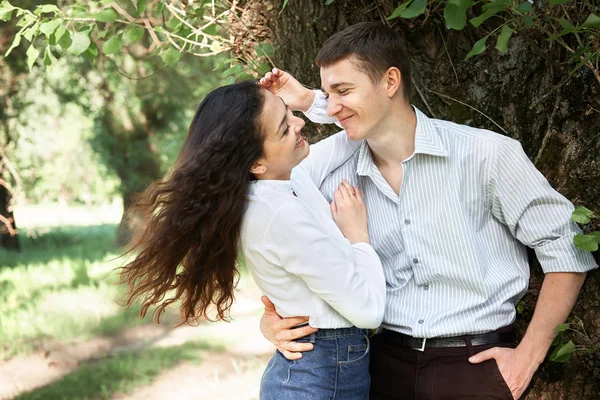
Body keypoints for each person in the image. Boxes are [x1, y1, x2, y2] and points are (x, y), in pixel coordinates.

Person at [258, 22, 598, 400]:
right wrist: (270, 320)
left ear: (390, 82)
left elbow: (566, 244)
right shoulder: (327, 171)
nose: (332, 106)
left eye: (344, 91)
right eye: (326, 94)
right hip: (378, 369)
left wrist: (528, 357)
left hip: (476, 370)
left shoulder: (485, 155)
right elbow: (285, 243)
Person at [118, 80, 386, 400]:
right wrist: (358, 237)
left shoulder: (282, 179)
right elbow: (368, 311)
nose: (300, 124)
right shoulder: (279, 214)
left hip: (321, 368)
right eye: (285, 129)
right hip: (321, 376)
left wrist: (308, 100)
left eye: (289, 113)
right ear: (256, 163)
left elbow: (357, 135)